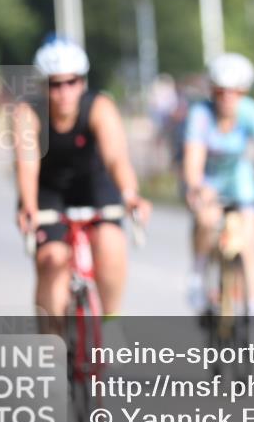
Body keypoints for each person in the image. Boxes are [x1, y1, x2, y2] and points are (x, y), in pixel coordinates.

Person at [13, 35, 152, 321]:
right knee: (52, 259)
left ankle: (111, 321)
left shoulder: (100, 107)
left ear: (82, 82)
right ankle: (52, 339)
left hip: (93, 184)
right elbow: (26, 166)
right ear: (43, 86)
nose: (64, 91)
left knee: (111, 243)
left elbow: (116, 158)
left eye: (71, 82)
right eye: (55, 84)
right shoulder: (28, 113)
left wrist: (130, 194)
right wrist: (28, 205)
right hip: (48, 190)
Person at [182, 53, 254, 316]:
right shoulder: (200, 114)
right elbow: (193, 159)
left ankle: (253, 312)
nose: (227, 98)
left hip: (239, 180)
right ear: (212, 92)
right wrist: (196, 187)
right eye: (220, 92)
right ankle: (198, 273)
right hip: (209, 179)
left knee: (248, 244)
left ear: (244, 92)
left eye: (235, 92)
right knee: (207, 220)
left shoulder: (253, 113)